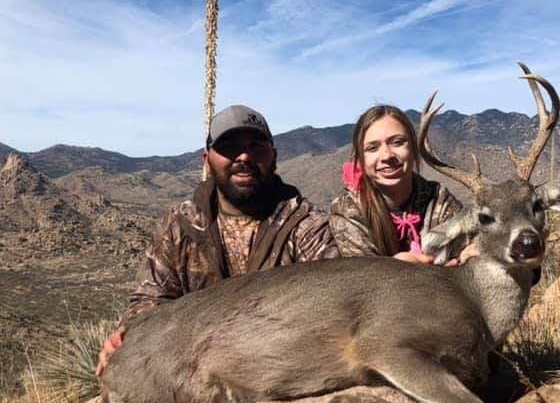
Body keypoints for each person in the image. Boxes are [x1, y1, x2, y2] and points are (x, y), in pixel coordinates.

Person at [96, 104, 338, 375]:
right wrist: (128, 335)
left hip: (280, 367)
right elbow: (148, 301)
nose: (244, 156)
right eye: (229, 147)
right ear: (207, 160)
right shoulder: (179, 225)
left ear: (274, 157)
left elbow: (331, 304)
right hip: (194, 368)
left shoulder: (306, 224)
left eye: (256, 146)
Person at [329, 104, 470, 263]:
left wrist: (467, 258)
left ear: (414, 149)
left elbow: (462, 250)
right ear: (360, 159)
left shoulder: (439, 199)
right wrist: (401, 266)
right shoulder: (348, 209)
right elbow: (363, 274)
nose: (387, 156)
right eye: (372, 148)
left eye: (397, 142)